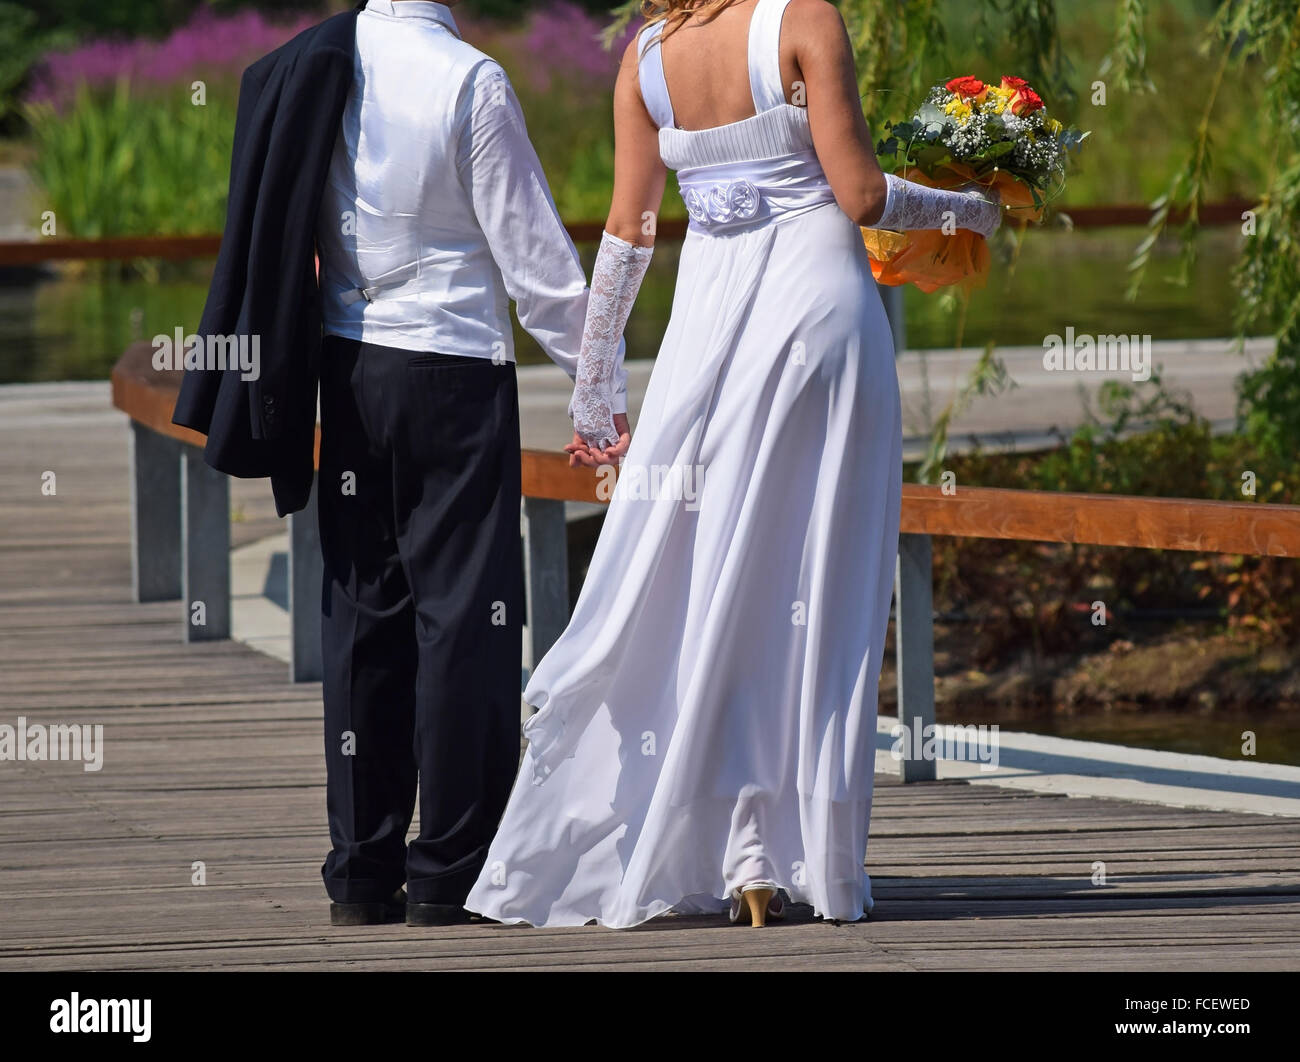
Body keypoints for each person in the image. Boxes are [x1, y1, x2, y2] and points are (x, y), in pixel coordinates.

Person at [465, 0, 999, 929]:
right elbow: (864, 195)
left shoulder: (645, 57)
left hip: (702, 338)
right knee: (813, 575)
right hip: (816, 317)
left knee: (710, 571)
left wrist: (596, 386)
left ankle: (744, 851)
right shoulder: (807, 20)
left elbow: (628, 235)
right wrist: (972, 208)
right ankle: (789, 851)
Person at [311, 0, 628, 927]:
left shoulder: (322, 58)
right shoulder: (470, 80)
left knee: (364, 611)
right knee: (464, 619)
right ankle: (450, 868)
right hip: (449, 366)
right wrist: (600, 391)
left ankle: (361, 872)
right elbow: (535, 264)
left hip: (347, 363)